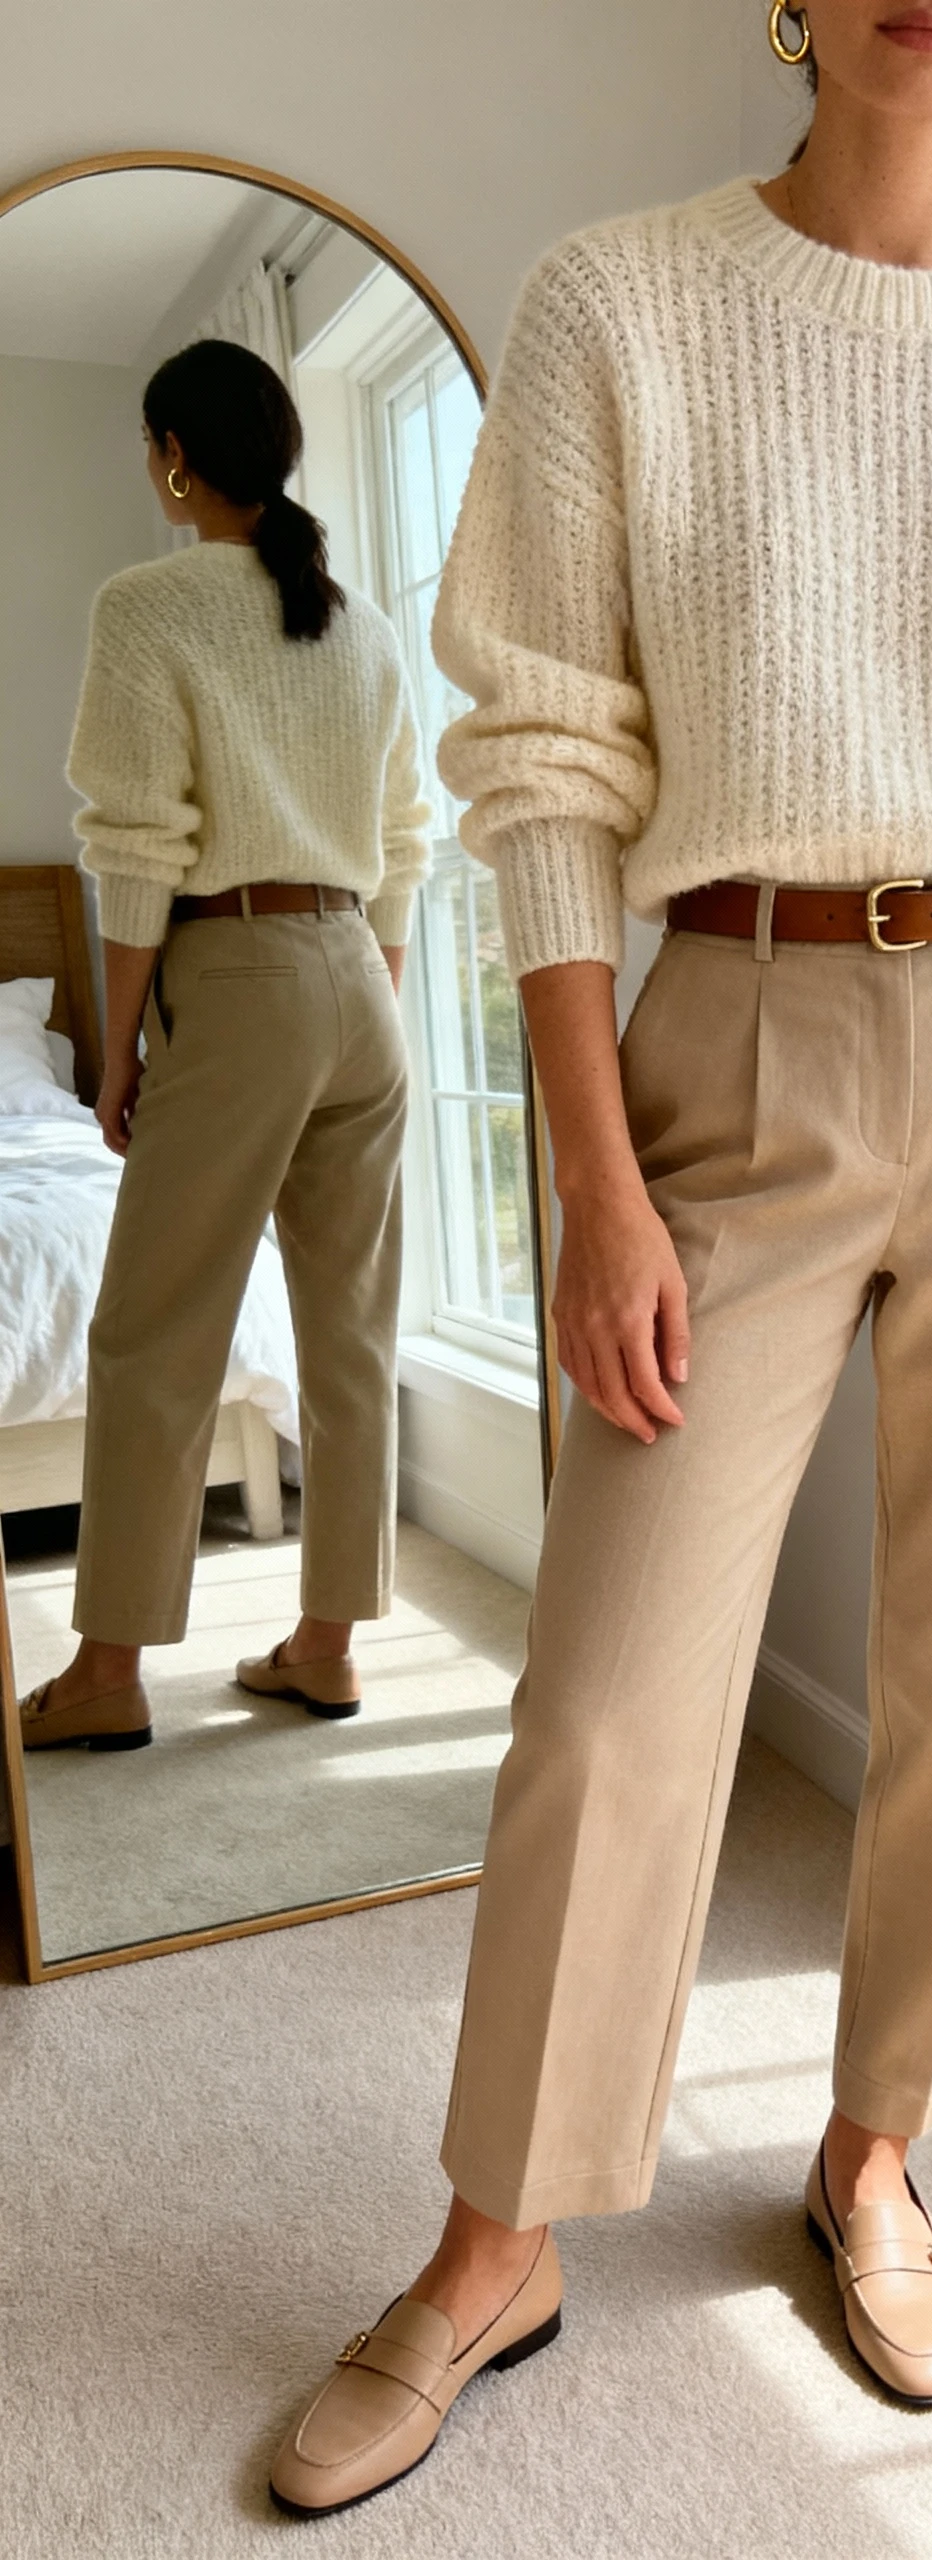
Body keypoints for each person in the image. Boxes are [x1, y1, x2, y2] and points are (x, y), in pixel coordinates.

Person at [271, 0, 932, 2511]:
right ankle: (501, 2229)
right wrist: (595, 1182)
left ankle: (880, 2148)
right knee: (611, 1687)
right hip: (745, 1032)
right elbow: (547, 771)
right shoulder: (624, 305)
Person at [19, 337, 430, 1754]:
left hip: (238, 971)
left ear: (175, 458)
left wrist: (119, 1051)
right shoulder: (361, 625)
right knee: (353, 1331)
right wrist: (353, 995)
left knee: (152, 1327)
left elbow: (136, 860)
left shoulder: (151, 607)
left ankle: (111, 1672)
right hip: (356, 984)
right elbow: (404, 852)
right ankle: (328, 1646)